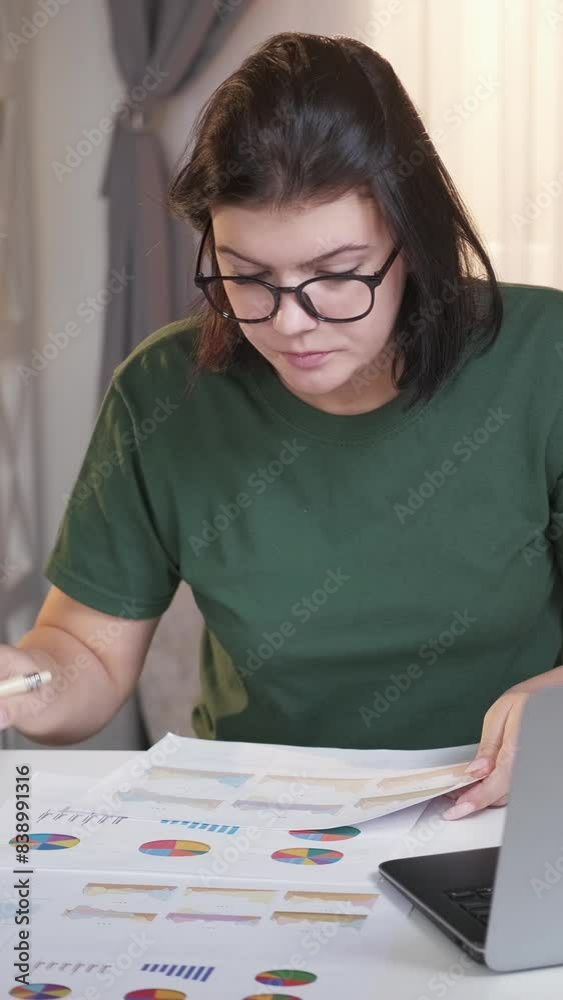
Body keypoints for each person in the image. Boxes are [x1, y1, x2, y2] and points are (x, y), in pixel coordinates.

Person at [2, 31, 563, 823]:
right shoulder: (165, 391)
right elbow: (86, 655)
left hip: (503, 813)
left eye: (335, 276)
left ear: (415, 241)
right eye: (247, 277)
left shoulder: (545, 360)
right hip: (251, 822)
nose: (291, 322)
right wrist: (23, 686)